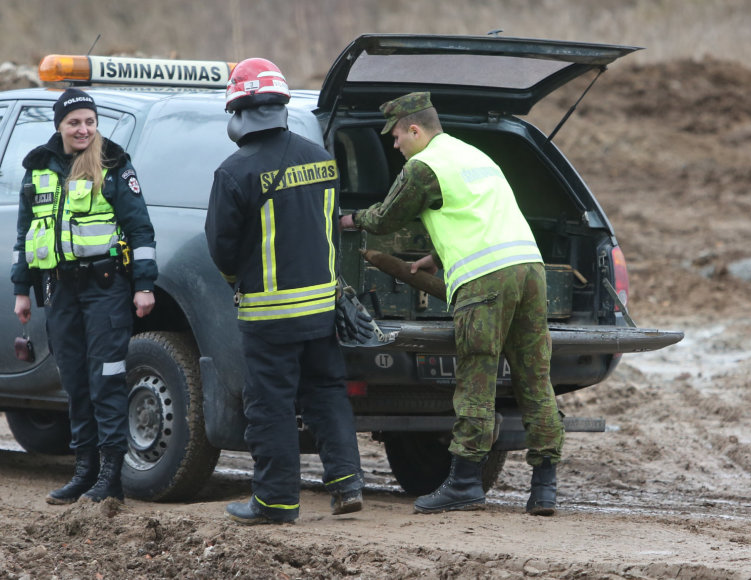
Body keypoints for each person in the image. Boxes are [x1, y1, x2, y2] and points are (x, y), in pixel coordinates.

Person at [339, 92, 565, 516]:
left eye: (396, 137)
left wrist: (351, 220)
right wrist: (439, 255)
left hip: (486, 282)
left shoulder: (423, 167)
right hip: (529, 270)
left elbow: (388, 217)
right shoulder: (472, 154)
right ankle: (545, 488)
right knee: (535, 377)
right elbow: (482, 214)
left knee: (477, 380)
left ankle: (463, 483)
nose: (394, 145)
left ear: (414, 129)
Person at [205, 58, 364, 525]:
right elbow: (333, 232)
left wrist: (240, 285)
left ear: (238, 110)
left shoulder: (234, 172)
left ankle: (275, 501)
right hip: (321, 308)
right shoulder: (321, 160)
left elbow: (221, 249)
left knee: (270, 404)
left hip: (270, 315)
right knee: (328, 392)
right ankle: (347, 483)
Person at [11, 88, 157, 505]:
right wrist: (22, 289)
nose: (83, 129)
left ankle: (110, 476)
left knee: (106, 378)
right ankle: (85, 471)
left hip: (105, 287)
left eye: (90, 122)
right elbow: (25, 236)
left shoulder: (113, 164)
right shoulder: (38, 168)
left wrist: (144, 284)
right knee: (75, 382)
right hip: (59, 290)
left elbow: (141, 231)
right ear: (59, 125)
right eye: (75, 122)